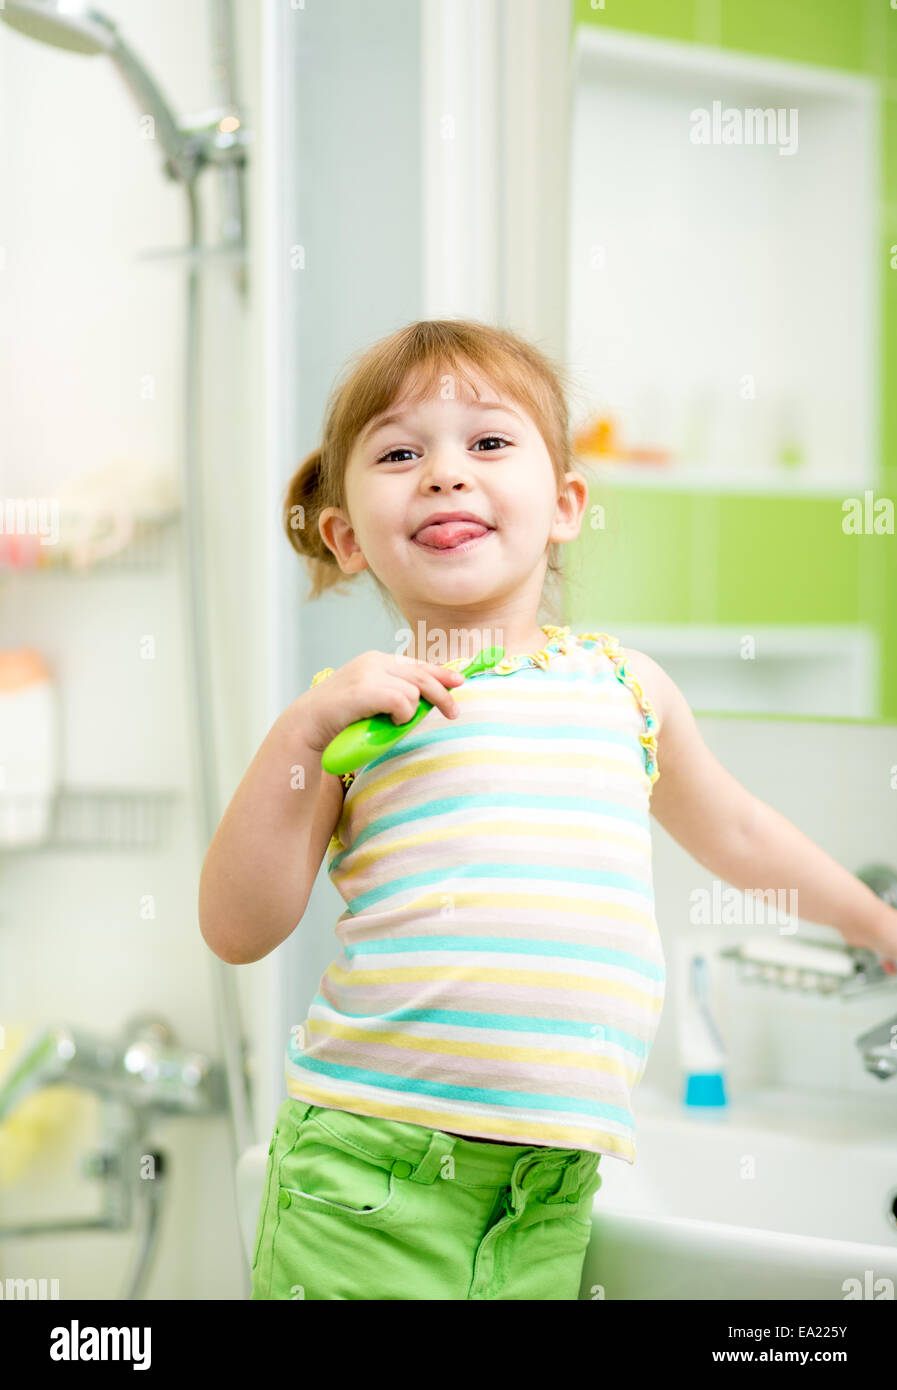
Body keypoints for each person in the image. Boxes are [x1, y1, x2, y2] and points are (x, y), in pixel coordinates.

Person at [199, 318, 897, 1300]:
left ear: (566, 503)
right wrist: (298, 739)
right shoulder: (361, 711)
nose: (445, 473)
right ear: (347, 536)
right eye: (401, 453)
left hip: (548, 1192)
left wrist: (874, 924)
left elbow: (738, 832)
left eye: (487, 442)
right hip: (368, 1173)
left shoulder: (625, 688)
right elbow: (236, 928)